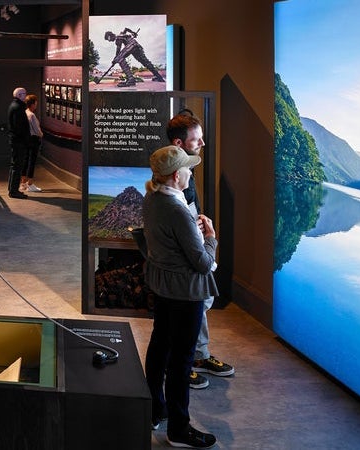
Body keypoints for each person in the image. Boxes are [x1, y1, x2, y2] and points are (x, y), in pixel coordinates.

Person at [142, 146, 219, 448]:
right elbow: (203, 263)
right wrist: (210, 236)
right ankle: (179, 428)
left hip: (163, 287)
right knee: (182, 360)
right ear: (177, 176)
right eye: (188, 168)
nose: (191, 172)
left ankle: (154, 408)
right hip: (185, 292)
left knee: (160, 344)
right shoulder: (177, 209)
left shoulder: (152, 197)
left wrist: (191, 232)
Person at [166, 110, 235, 390]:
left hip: (192, 235)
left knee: (202, 301)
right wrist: (205, 239)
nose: (203, 145)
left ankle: (197, 356)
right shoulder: (173, 177)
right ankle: (184, 362)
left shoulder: (183, 169)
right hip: (187, 248)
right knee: (194, 303)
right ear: (179, 144)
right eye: (197, 140)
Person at [5, 87, 30, 199]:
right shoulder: (18, 108)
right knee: (17, 166)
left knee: (15, 165)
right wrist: (25, 140)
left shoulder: (14, 106)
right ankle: (14, 191)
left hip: (16, 140)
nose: (26, 96)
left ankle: (12, 189)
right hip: (18, 141)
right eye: (24, 94)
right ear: (20, 95)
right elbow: (19, 127)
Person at [19, 94, 43, 193]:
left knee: (26, 160)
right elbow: (36, 130)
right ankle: (30, 184)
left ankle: (23, 183)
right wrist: (41, 134)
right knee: (32, 162)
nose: (36, 105)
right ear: (32, 104)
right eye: (36, 103)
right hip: (33, 140)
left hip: (26, 140)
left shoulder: (25, 113)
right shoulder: (32, 115)